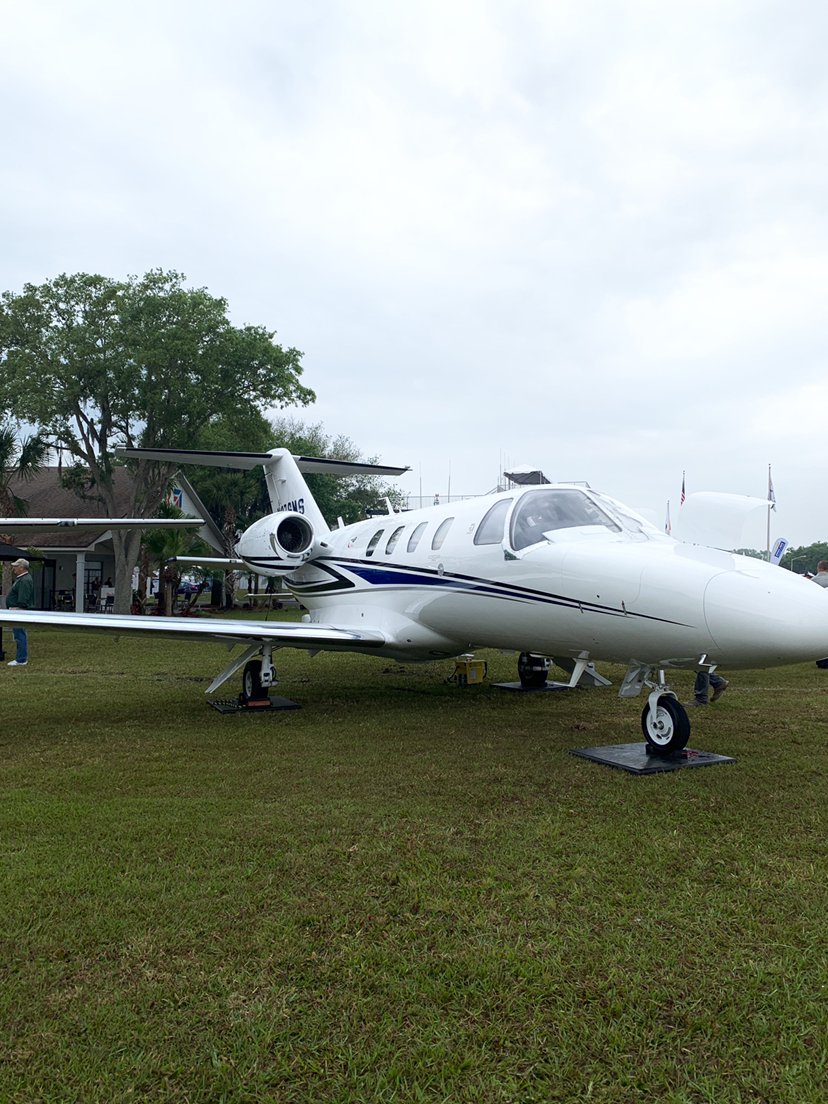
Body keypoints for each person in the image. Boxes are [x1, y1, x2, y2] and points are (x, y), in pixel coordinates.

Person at [6, 557, 35, 666]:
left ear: (22, 568)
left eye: (16, 566)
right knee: (18, 634)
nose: (14, 569)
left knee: (20, 634)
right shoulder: (22, 579)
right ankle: (21, 658)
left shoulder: (24, 580)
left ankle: (21, 659)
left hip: (18, 610)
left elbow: (23, 597)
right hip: (17, 609)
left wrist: (18, 607)